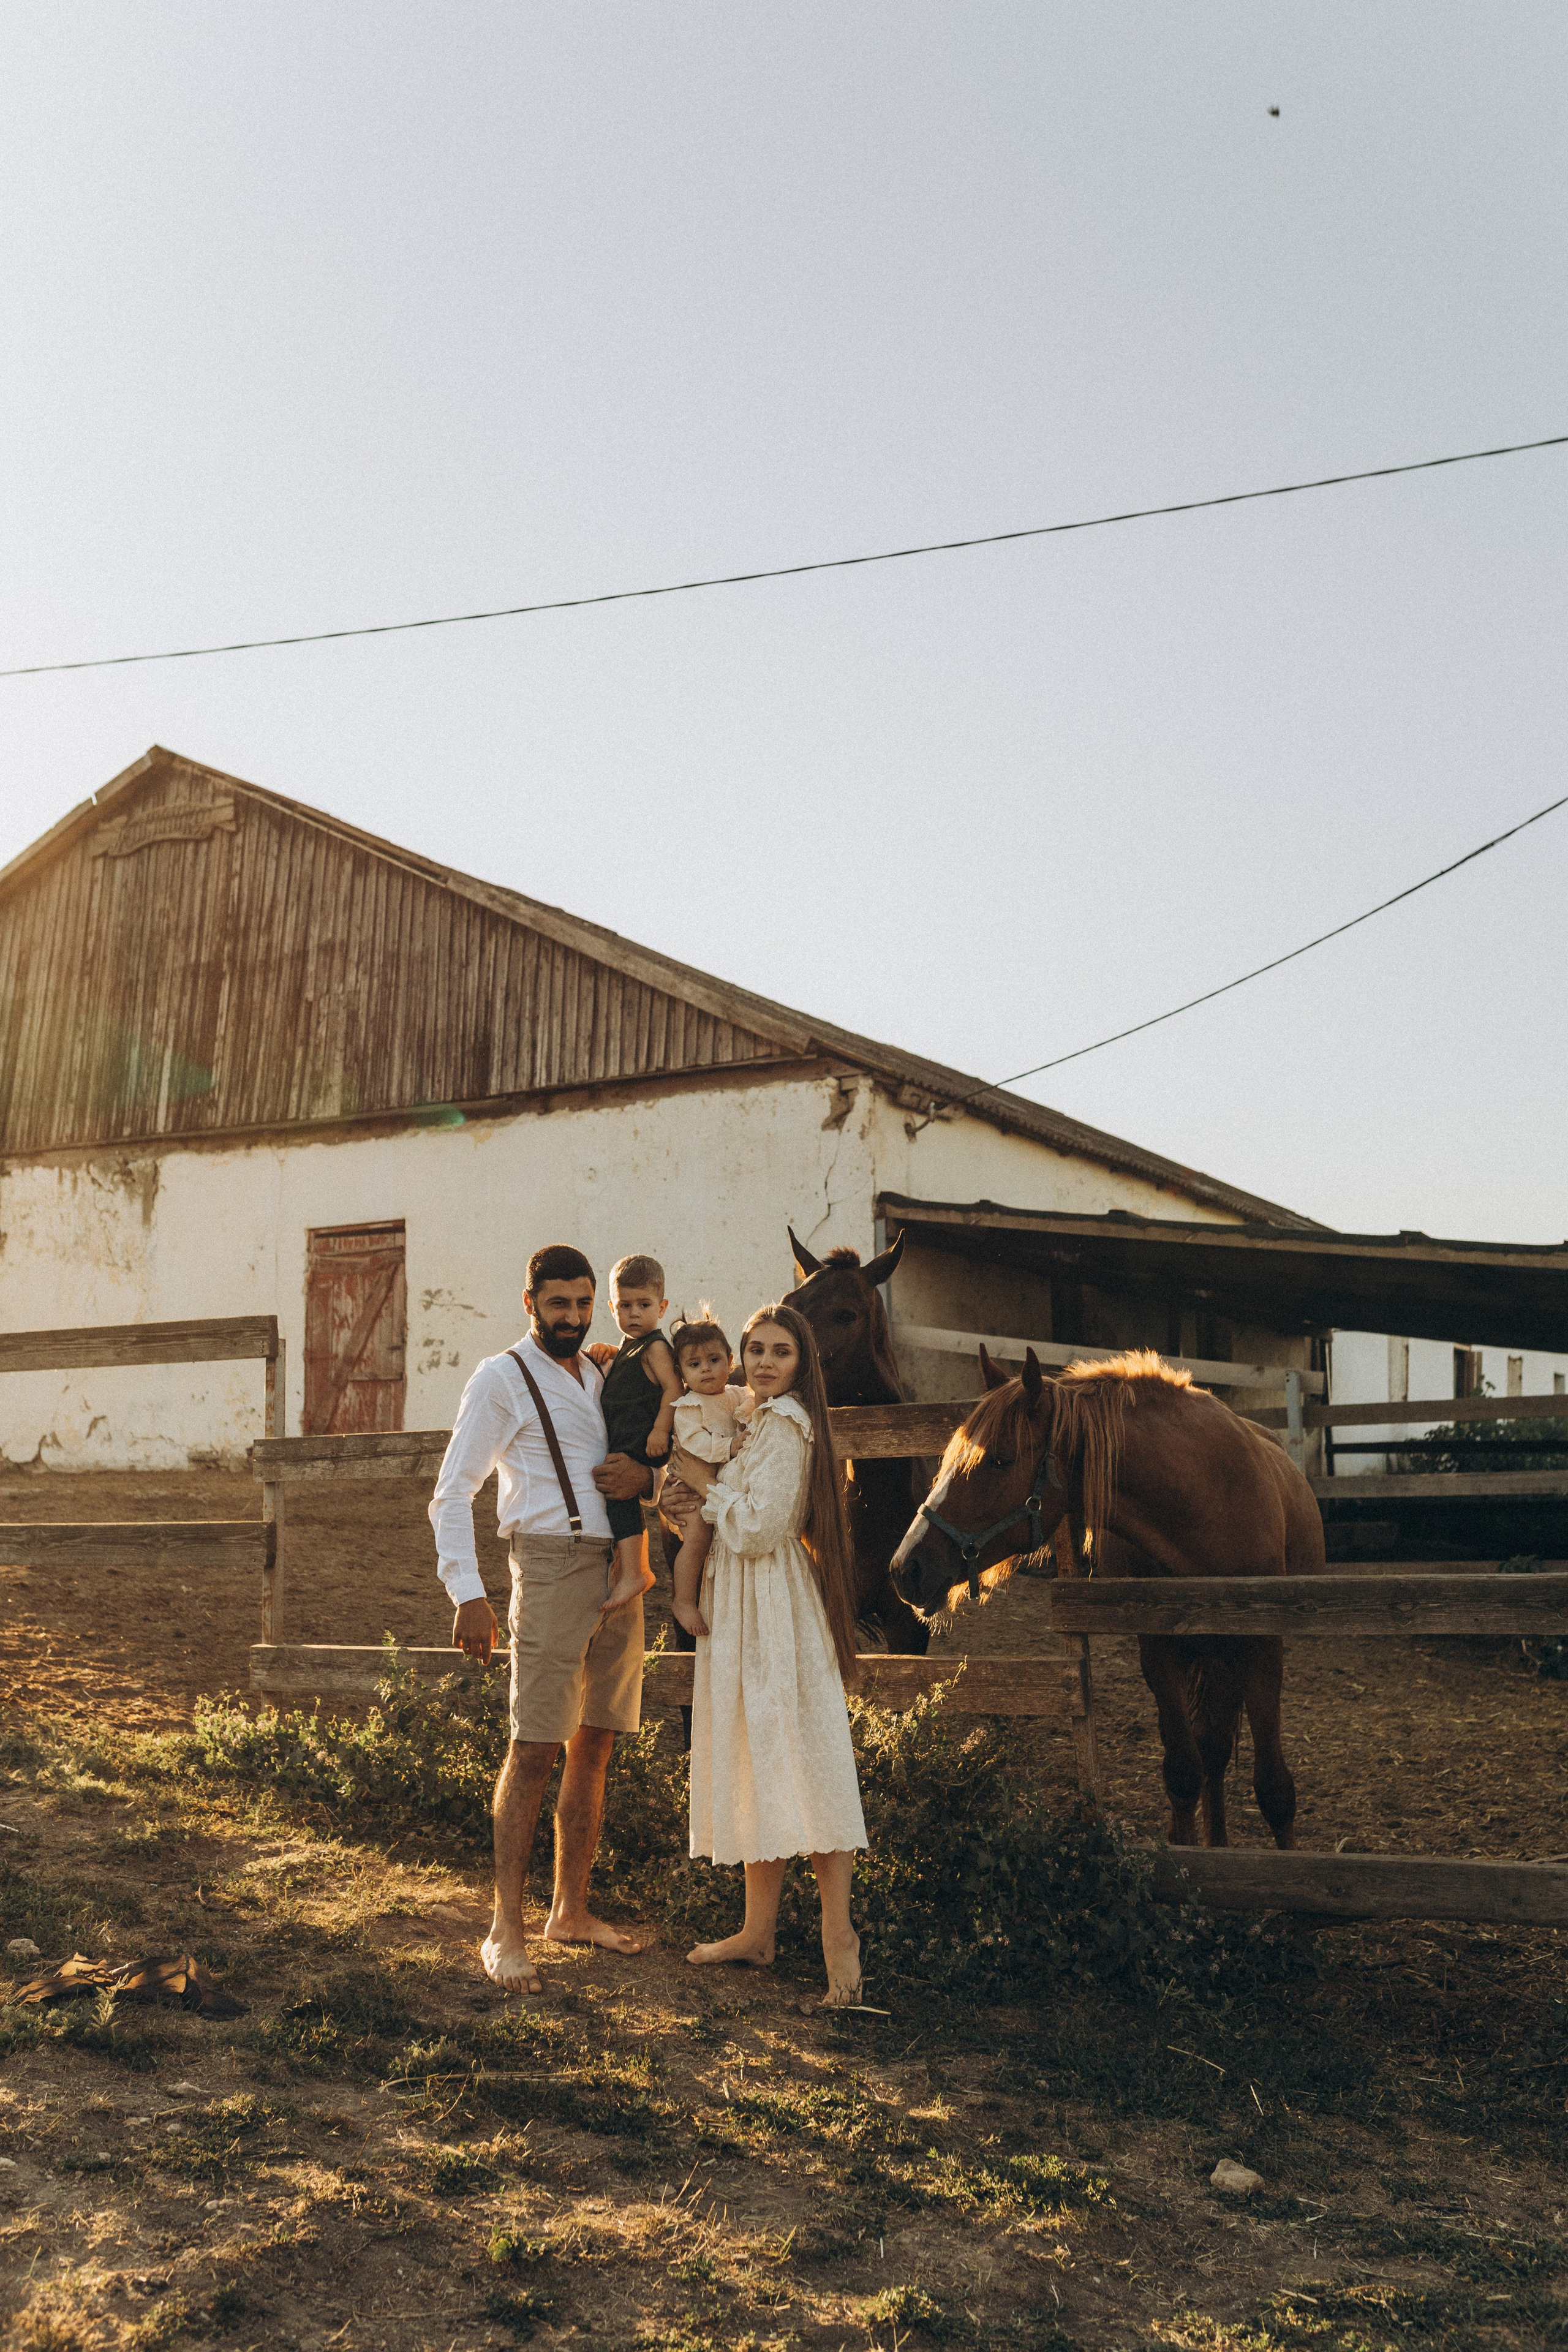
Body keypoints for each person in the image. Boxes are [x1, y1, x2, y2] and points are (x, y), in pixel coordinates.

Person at [429, 1244, 655, 1996]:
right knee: (534, 1747)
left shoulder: (599, 1370)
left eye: (584, 1303)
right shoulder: (500, 1378)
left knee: (595, 1744)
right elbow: (452, 1490)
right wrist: (467, 1591)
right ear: (530, 1303)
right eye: (559, 1304)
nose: (574, 1317)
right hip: (552, 1566)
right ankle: (504, 1929)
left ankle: (570, 1911)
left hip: (621, 1569)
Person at [667, 1300, 867, 2006]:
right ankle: (757, 1930)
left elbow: (756, 1528)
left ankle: (837, 1934)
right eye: (755, 1350)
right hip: (741, 1605)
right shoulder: (750, 1420)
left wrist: (700, 1487)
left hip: (774, 1607)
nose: (762, 1363)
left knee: (802, 1759)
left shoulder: (787, 1425)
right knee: (758, 1756)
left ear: (802, 1362)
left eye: (779, 1352)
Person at [594, 1255, 682, 1619]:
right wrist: (611, 1354)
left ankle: (636, 1571)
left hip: (644, 1438)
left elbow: (673, 1389)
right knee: (616, 1499)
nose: (634, 1314)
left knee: (620, 1497)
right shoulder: (630, 1345)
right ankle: (630, 1568)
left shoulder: (658, 1347)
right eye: (625, 1306)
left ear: (661, 1308)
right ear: (613, 1307)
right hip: (629, 1435)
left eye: (644, 1306)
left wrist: (661, 1430)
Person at [663, 1310, 753, 1639]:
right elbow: (695, 1443)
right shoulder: (689, 1406)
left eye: (714, 1360)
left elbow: (752, 1408)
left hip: (721, 1483)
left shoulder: (738, 1394)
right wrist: (730, 1446)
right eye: (695, 1364)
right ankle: (684, 1601)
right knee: (698, 1539)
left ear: (730, 1361)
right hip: (692, 1485)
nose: (706, 1369)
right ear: (682, 1372)